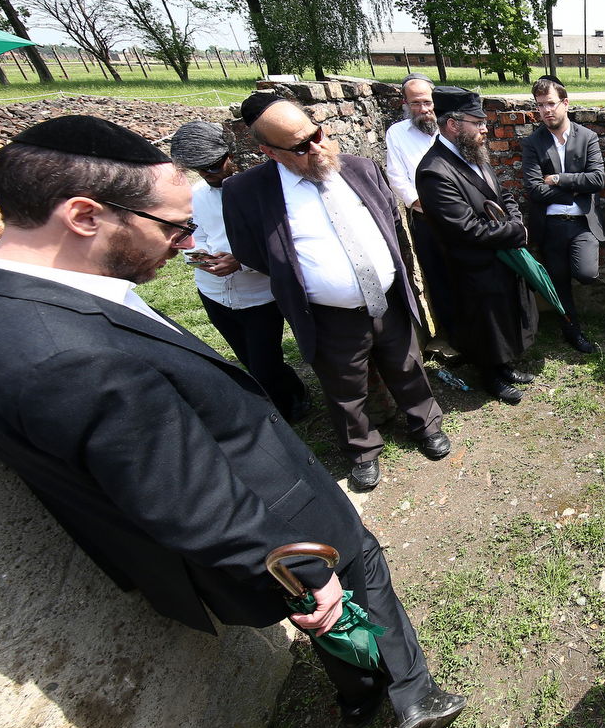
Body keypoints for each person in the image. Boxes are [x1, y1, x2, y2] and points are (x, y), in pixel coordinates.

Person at [0, 115, 466, 728]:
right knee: (356, 572)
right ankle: (413, 695)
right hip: (266, 513)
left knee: (324, 609)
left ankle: (358, 693)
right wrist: (299, 570)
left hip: (252, 498)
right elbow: (183, 495)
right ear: (84, 217)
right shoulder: (65, 357)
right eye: (172, 227)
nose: (185, 241)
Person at [223, 94, 451, 491]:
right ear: (269, 152)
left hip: (388, 299)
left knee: (407, 365)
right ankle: (362, 451)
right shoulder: (246, 192)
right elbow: (250, 251)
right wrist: (319, 279)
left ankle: (426, 424)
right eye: (299, 146)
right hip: (327, 315)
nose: (316, 148)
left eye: (317, 134)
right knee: (344, 388)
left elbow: (392, 229)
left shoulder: (361, 169)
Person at [168, 120, 309, 422]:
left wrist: (240, 261)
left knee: (263, 363)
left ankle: (284, 412)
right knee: (248, 358)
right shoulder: (195, 195)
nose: (209, 175)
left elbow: (281, 244)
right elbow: (192, 235)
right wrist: (199, 257)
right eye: (201, 169)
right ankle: (292, 391)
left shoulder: (260, 192)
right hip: (213, 293)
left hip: (258, 295)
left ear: (230, 155)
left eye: (215, 166)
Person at [415, 86, 539, 405]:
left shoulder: (472, 151)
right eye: (477, 121)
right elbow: (466, 229)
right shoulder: (433, 171)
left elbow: (503, 195)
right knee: (485, 324)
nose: (485, 128)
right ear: (454, 124)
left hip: (499, 257)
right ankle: (491, 377)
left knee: (502, 316)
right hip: (472, 265)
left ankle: (504, 366)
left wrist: (516, 222)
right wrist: (515, 232)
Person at [519, 75, 605, 354]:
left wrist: (557, 179)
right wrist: (575, 188)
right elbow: (534, 190)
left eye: (551, 104)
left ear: (565, 103)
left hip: (582, 223)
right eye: (540, 105)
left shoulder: (587, 137)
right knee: (559, 283)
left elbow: (597, 180)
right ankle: (572, 331)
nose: (546, 110)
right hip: (551, 224)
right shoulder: (533, 143)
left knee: (586, 274)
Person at [383, 74, 459, 345]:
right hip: (426, 220)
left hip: (460, 217)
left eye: (427, 102)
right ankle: (453, 335)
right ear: (405, 103)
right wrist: (423, 205)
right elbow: (397, 178)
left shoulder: (451, 127)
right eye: (416, 103)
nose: (424, 109)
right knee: (438, 278)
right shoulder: (397, 134)